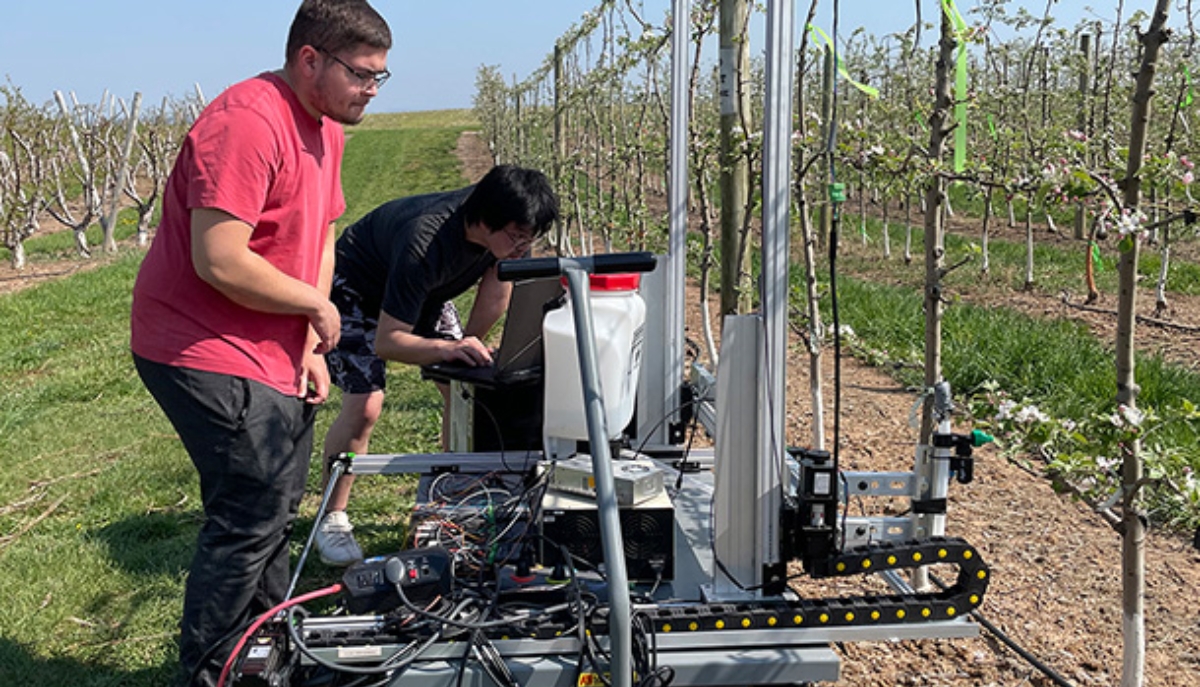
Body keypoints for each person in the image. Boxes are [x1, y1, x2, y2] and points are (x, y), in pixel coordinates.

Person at [128, 2, 391, 684]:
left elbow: (322, 232)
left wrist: (309, 337)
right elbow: (218, 257)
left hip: (272, 342)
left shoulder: (326, 125)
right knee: (248, 511)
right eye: (362, 74)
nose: (370, 89)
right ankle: (214, 668)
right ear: (310, 59)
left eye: (379, 78)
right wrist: (312, 304)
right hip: (200, 343)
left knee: (276, 504)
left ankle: (271, 653)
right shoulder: (247, 122)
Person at [315, 164, 560, 565]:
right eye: (517, 237)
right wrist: (443, 350)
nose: (523, 246)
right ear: (486, 221)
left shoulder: (510, 232)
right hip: (357, 292)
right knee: (366, 404)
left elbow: (496, 295)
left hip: (426, 293)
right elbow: (389, 341)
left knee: (467, 386)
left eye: (530, 238)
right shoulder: (423, 240)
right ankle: (333, 517)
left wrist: (466, 351)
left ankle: (453, 488)